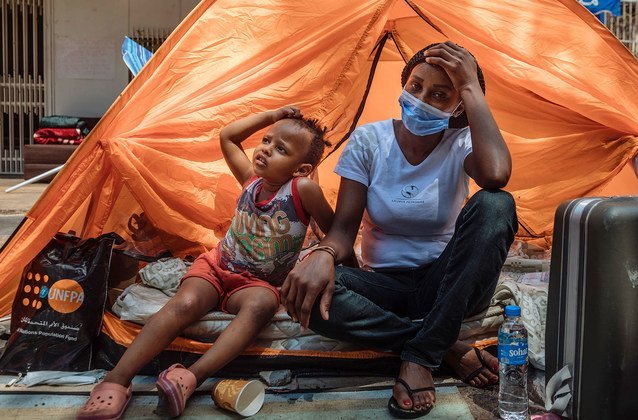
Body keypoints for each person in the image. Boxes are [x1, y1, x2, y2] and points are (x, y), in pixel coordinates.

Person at [283, 41, 517, 418]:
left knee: (496, 203)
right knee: (305, 295)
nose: (422, 99)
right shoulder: (370, 141)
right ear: (404, 84)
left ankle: (420, 355)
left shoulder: (461, 143)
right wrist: (321, 255)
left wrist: (470, 85)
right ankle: (445, 347)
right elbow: (343, 233)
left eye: (440, 95)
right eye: (415, 86)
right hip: (384, 287)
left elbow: (496, 175)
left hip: (450, 287)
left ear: (458, 105)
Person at [77, 106, 335, 419]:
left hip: (257, 283)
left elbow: (335, 232)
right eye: (266, 141)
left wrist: (324, 254)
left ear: (301, 169)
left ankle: (188, 378)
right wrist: (272, 116)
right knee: (183, 305)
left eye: (281, 149)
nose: (266, 149)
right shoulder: (251, 180)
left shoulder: (303, 189)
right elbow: (228, 135)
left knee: (262, 305)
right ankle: (116, 380)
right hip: (217, 267)